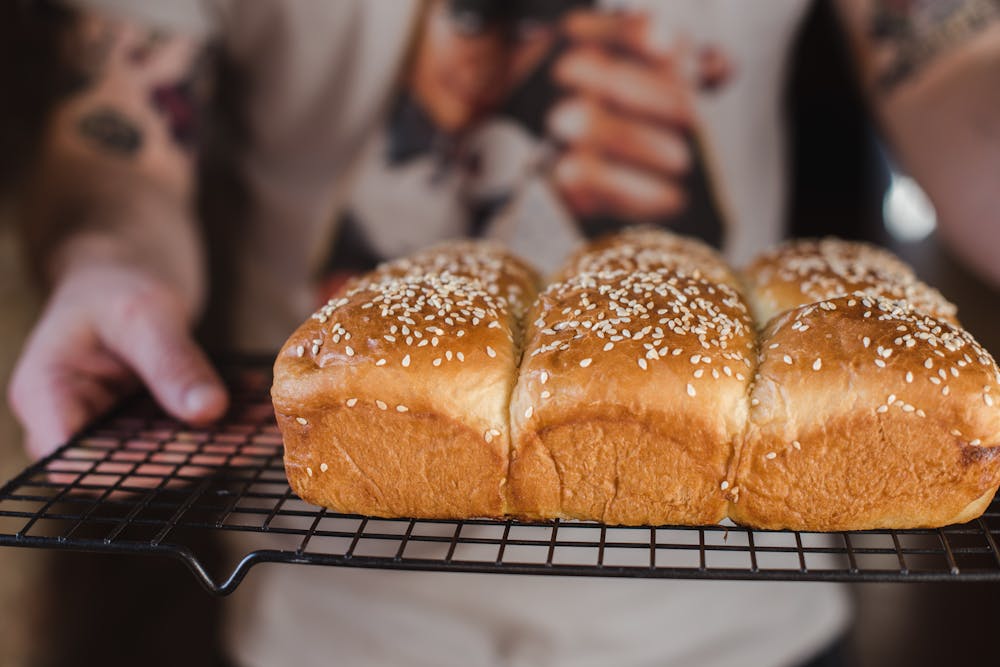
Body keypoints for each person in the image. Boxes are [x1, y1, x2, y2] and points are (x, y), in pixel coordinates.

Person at [7, 1, 1000, 665]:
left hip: (740, 618)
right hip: (333, 612)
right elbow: (114, 137)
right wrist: (108, 257)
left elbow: (962, 72)